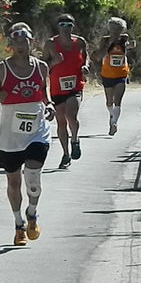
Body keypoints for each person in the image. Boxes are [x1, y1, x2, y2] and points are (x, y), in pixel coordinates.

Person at [0, 22, 56, 246]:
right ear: (11, 45)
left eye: (24, 41)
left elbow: (44, 93)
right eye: (15, 42)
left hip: (37, 129)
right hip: (11, 133)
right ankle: (18, 225)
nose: (20, 46)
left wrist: (50, 104)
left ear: (31, 42)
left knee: (33, 177)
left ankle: (33, 213)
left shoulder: (41, 67)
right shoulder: (1, 69)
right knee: (14, 182)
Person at [43, 13, 89, 169]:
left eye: (69, 25)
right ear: (58, 27)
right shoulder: (50, 44)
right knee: (61, 122)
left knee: (71, 115)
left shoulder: (80, 42)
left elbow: (85, 57)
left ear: (73, 26)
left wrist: (85, 67)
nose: (65, 28)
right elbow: (43, 66)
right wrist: (53, 62)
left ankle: (75, 139)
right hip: (57, 87)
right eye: (62, 25)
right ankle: (65, 154)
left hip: (75, 85)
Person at [94, 17, 135, 135]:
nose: (115, 32)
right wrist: (108, 46)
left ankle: (114, 123)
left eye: (118, 29)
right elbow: (98, 56)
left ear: (121, 30)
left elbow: (130, 45)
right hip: (107, 73)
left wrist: (129, 45)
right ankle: (112, 116)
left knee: (118, 101)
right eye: (113, 29)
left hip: (121, 74)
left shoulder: (124, 39)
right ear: (110, 29)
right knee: (109, 102)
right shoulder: (105, 41)